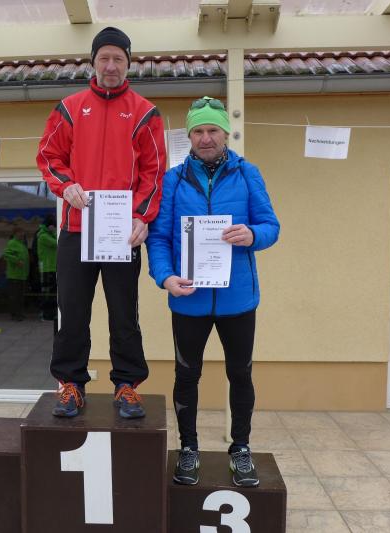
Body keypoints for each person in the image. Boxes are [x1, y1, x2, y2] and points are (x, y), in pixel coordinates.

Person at [146, 97, 280, 487]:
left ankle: (241, 448)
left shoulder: (248, 173)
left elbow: (271, 226)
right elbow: (158, 238)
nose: (206, 138)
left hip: (238, 299)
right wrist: (165, 277)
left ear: (225, 133)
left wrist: (252, 234)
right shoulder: (172, 180)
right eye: (198, 131)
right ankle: (188, 448)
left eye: (213, 130)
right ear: (189, 136)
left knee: (240, 374)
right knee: (187, 376)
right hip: (189, 299)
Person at [36, 26, 166, 418]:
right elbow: (49, 157)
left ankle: (127, 386)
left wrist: (141, 216)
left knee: (124, 314)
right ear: (93, 62)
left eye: (118, 59)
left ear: (129, 64)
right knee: (73, 312)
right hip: (76, 231)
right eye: (104, 58)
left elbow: (154, 172)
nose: (111, 66)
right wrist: (66, 186)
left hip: (121, 234)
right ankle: (70, 385)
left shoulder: (145, 113)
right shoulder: (69, 108)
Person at [3, 227, 29, 322]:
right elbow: (6, 255)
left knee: (20, 297)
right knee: (15, 296)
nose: (22, 234)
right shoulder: (12, 243)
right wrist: (17, 261)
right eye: (20, 232)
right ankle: (14, 315)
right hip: (14, 275)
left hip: (22, 275)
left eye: (23, 232)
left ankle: (19, 313)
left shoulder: (22, 244)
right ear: (15, 233)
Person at [36, 214, 58, 322]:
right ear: (50, 226)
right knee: (48, 293)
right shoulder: (43, 236)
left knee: (52, 293)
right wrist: (55, 232)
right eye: (54, 226)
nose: (55, 228)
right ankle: (45, 314)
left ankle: (50, 314)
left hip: (51, 267)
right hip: (47, 268)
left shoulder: (47, 235)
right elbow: (57, 243)